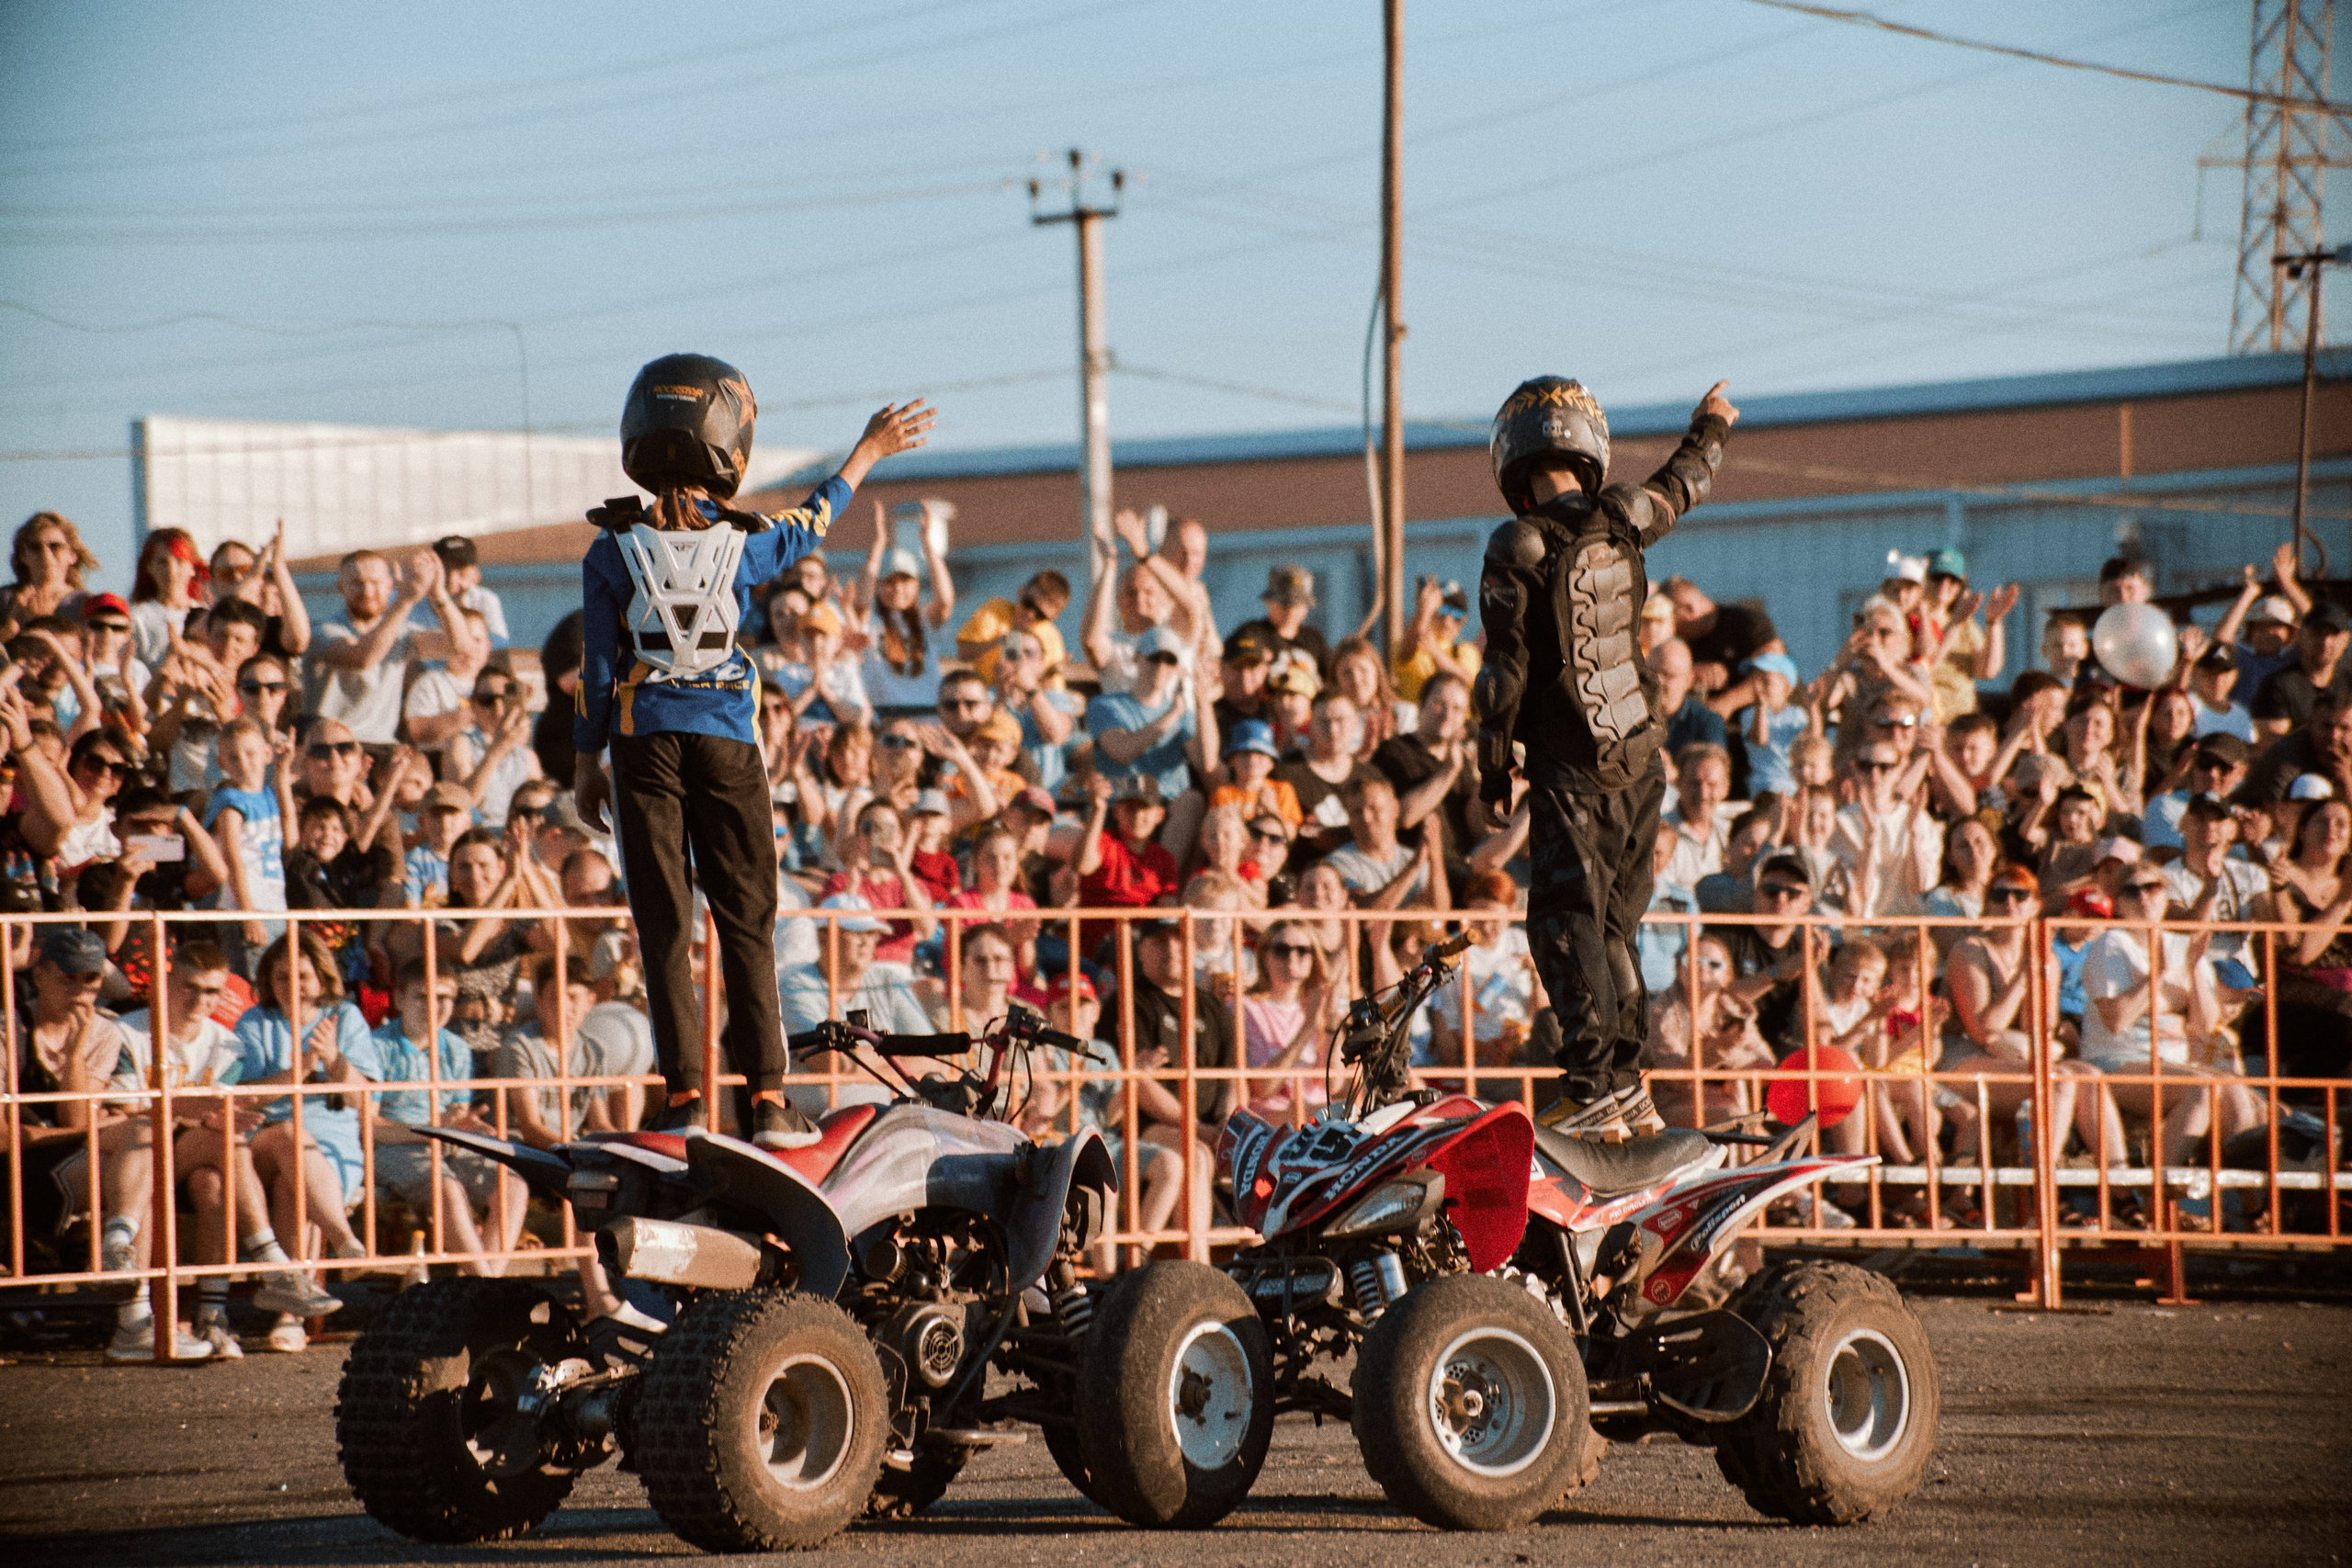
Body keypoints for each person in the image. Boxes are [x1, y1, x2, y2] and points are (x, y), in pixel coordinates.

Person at [571, 353, 932, 1148]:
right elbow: (813, 519)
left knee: (664, 922)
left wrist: (582, 761)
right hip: (727, 741)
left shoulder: (608, 550)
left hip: (641, 743)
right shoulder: (744, 543)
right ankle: (768, 1100)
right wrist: (866, 452)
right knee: (746, 921)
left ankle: (685, 1097)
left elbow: (599, 671)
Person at [1476, 374, 1736, 1140]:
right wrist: (1712, 423)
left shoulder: (1517, 543)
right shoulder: (1624, 515)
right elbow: (1685, 483)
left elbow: (1505, 669)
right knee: (1616, 928)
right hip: (1642, 762)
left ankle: (1593, 1085)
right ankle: (1627, 1085)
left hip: (1571, 767)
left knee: (1564, 921)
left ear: (1513, 458)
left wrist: (1496, 760)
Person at [233, 931, 384, 1353]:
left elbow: (365, 1102)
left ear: (321, 979)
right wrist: (298, 1071)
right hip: (267, 1134)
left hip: (332, 1142)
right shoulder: (254, 1022)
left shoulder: (345, 1019)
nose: (292, 986)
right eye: (281, 976)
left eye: (302, 976)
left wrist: (334, 1059)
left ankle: (289, 1317)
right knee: (288, 1136)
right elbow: (241, 1094)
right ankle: (345, 1241)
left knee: (290, 1186)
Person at [367, 959, 518, 1276]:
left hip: (444, 1140)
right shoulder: (377, 1046)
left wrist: (467, 1125)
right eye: (422, 997)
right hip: (395, 1148)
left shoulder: (458, 1048)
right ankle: (486, 1289)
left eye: (444, 998)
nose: (433, 1006)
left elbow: (457, 1112)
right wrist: (432, 1131)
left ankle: (486, 1282)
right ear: (400, 1000)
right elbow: (370, 1126)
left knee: (513, 1184)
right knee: (446, 1189)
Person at [779, 895, 937, 1116]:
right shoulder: (794, 986)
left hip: (888, 1117)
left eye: (871, 933)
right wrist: (897, 1062)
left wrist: (859, 1065)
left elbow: (935, 1057)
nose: (866, 941)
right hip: (821, 1122)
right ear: (824, 937)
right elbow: (831, 1062)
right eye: (855, 932)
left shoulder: (888, 980)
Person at [307, 547, 480, 747]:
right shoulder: (323, 630)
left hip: (382, 744)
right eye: (357, 583)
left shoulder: (402, 632)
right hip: (329, 744)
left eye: (375, 583)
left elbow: (460, 645)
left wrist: (439, 594)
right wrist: (404, 601)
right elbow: (363, 658)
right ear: (340, 588)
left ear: (390, 586)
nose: (367, 591)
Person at [854, 503, 956, 716]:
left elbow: (945, 600)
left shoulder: (925, 621)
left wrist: (928, 546)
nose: (898, 589)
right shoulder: (870, 622)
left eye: (906, 580)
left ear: (917, 585)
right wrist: (879, 543)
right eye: (889, 582)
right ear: (878, 585)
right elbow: (861, 601)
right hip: (885, 717)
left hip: (929, 717)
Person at [1662, 574, 1785, 716]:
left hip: (1783, 726)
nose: (1673, 631)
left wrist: (1728, 702)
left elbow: (1776, 669)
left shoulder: (1746, 621)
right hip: (1727, 731)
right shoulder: (1683, 643)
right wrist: (1692, 675)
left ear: (1690, 608)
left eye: (1674, 623)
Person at [1277, 692, 1375, 861]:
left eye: (1340, 720)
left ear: (1355, 723)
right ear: (1311, 726)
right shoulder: (1285, 774)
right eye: (1324, 722)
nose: (1332, 729)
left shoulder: (1372, 778)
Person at [2251, 599, 2352, 740]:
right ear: (2301, 636)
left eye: (2333, 635)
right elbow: (2271, 745)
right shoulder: (2277, 685)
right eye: (2317, 633)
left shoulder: (2349, 684)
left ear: (2346, 640)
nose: (2325, 642)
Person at [955, 569, 1072, 685]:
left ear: (1053, 617)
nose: (1030, 614)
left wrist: (1050, 674)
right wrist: (999, 641)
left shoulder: (1051, 636)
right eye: (1028, 603)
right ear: (1020, 592)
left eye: (1040, 615)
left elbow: (1051, 691)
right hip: (991, 692)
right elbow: (963, 653)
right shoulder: (996, 611)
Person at [1229, 565, 1332, 682]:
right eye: (1284, 604)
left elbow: (1331, 680)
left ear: (1307, 607)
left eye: (1297, 605)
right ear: (1268, 602)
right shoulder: (1252, 635)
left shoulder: (1314, 640)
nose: (1291, 611)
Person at [1391, 578, 1481, 704]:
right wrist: (1425, 608)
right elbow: (1409, 646)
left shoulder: (1466, 650)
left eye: (1456, 613)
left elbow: (1467, 681)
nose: (1447, 620)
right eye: (1443, 610)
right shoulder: (1414, 649)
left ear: (1463, 620)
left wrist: (1435, 652)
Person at [433, 535, 510, 649]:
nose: (452, 577)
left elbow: (499, 645)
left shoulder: (484, 599)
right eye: (446, 568)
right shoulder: (415, 601)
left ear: (475, 572)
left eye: (461, 569)